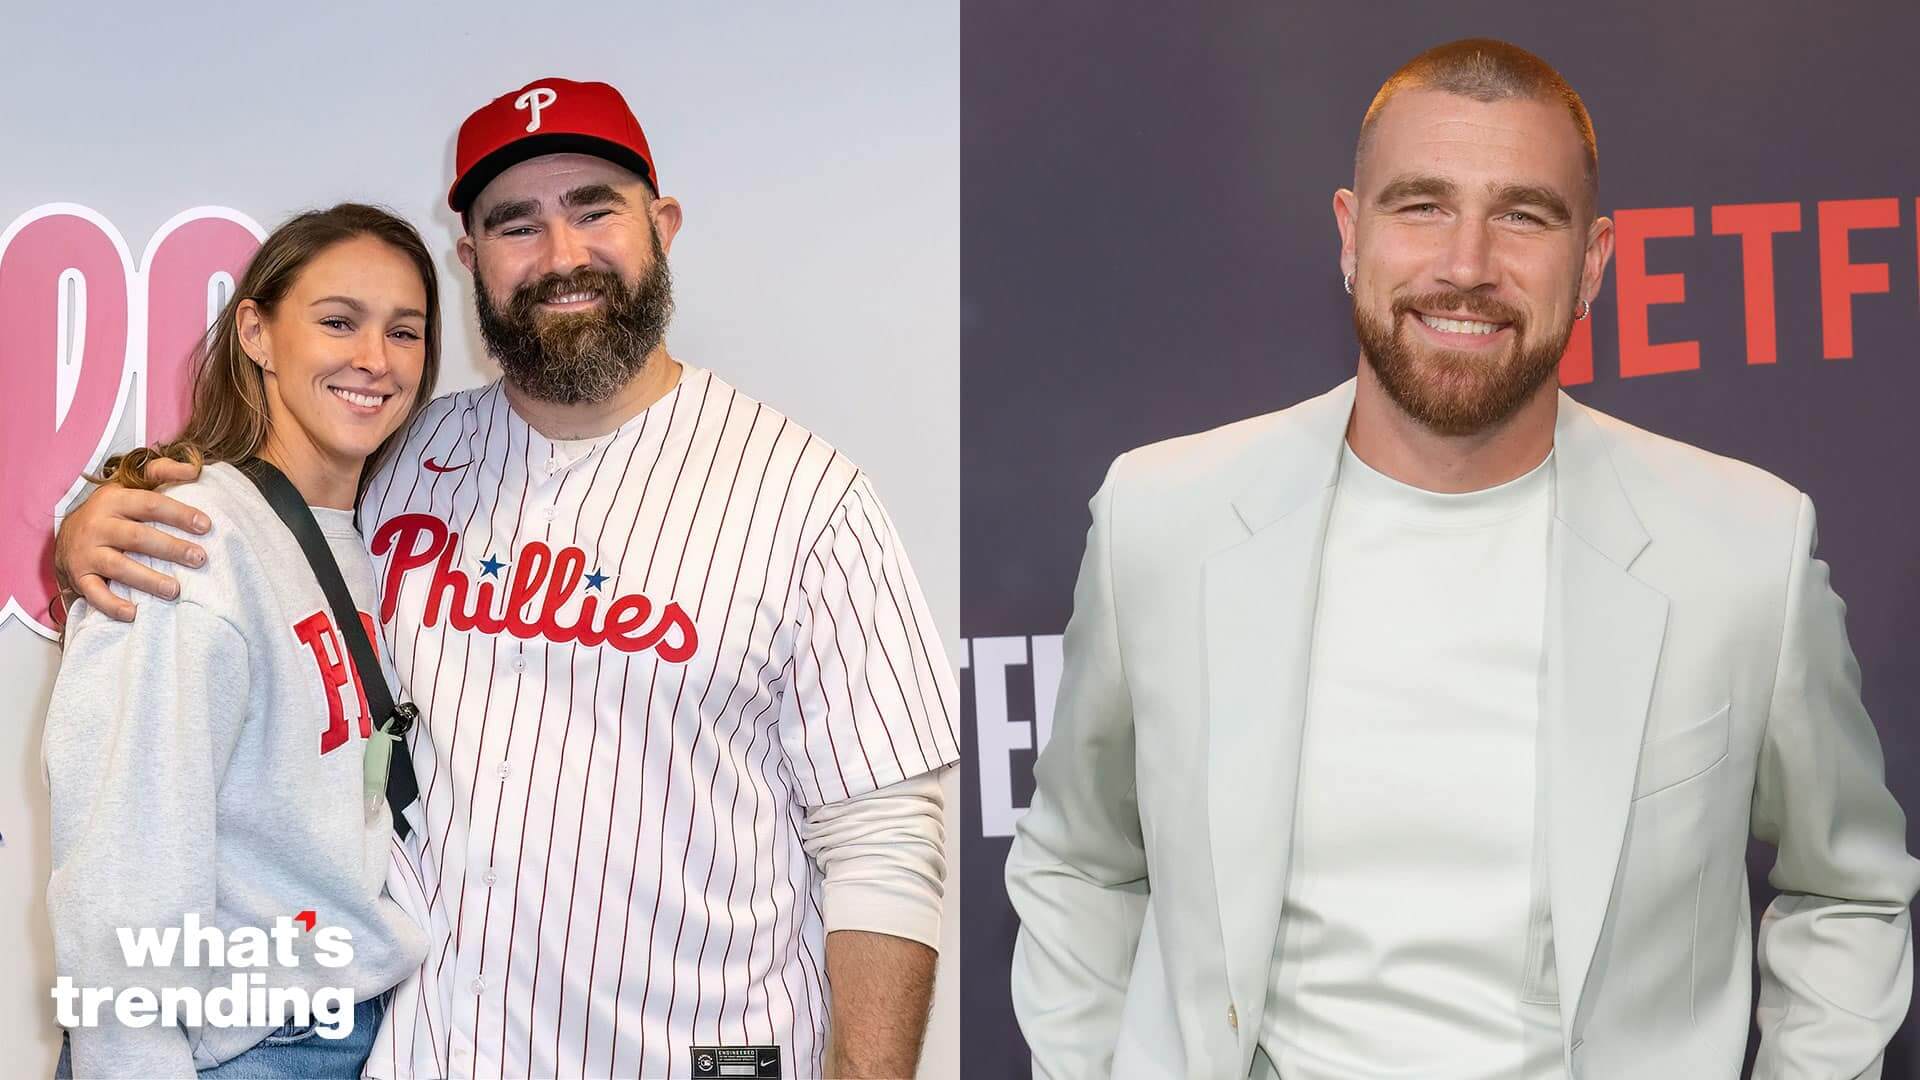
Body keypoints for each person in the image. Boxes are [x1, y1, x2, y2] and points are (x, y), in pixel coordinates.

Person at [1004, 38, 1920, 1079]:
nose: (1467, 264)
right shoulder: (1163, 519)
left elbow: (1847, 890)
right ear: (1351, 235)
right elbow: (1079, 862)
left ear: (1595, 262)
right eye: (1421, 205)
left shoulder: (1745, 547)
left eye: (1523, 215)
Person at [56, 78, 958, 1079]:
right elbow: (245, 535)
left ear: (662, 226)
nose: (561, 254)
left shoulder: (809, 498)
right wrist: (88, 527)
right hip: (423, 1054)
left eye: (595, 210)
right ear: (472, 259)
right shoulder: (396, 462)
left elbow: (884, 841)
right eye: (517, 224)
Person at [45, 204, 441, 1077]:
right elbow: (122, 867)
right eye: (338, 321)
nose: (374, 359)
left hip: (352, 1025)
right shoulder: (188, 539)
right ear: (257, 333)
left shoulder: (363, 539)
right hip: (242, 1048)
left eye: (404, 331)